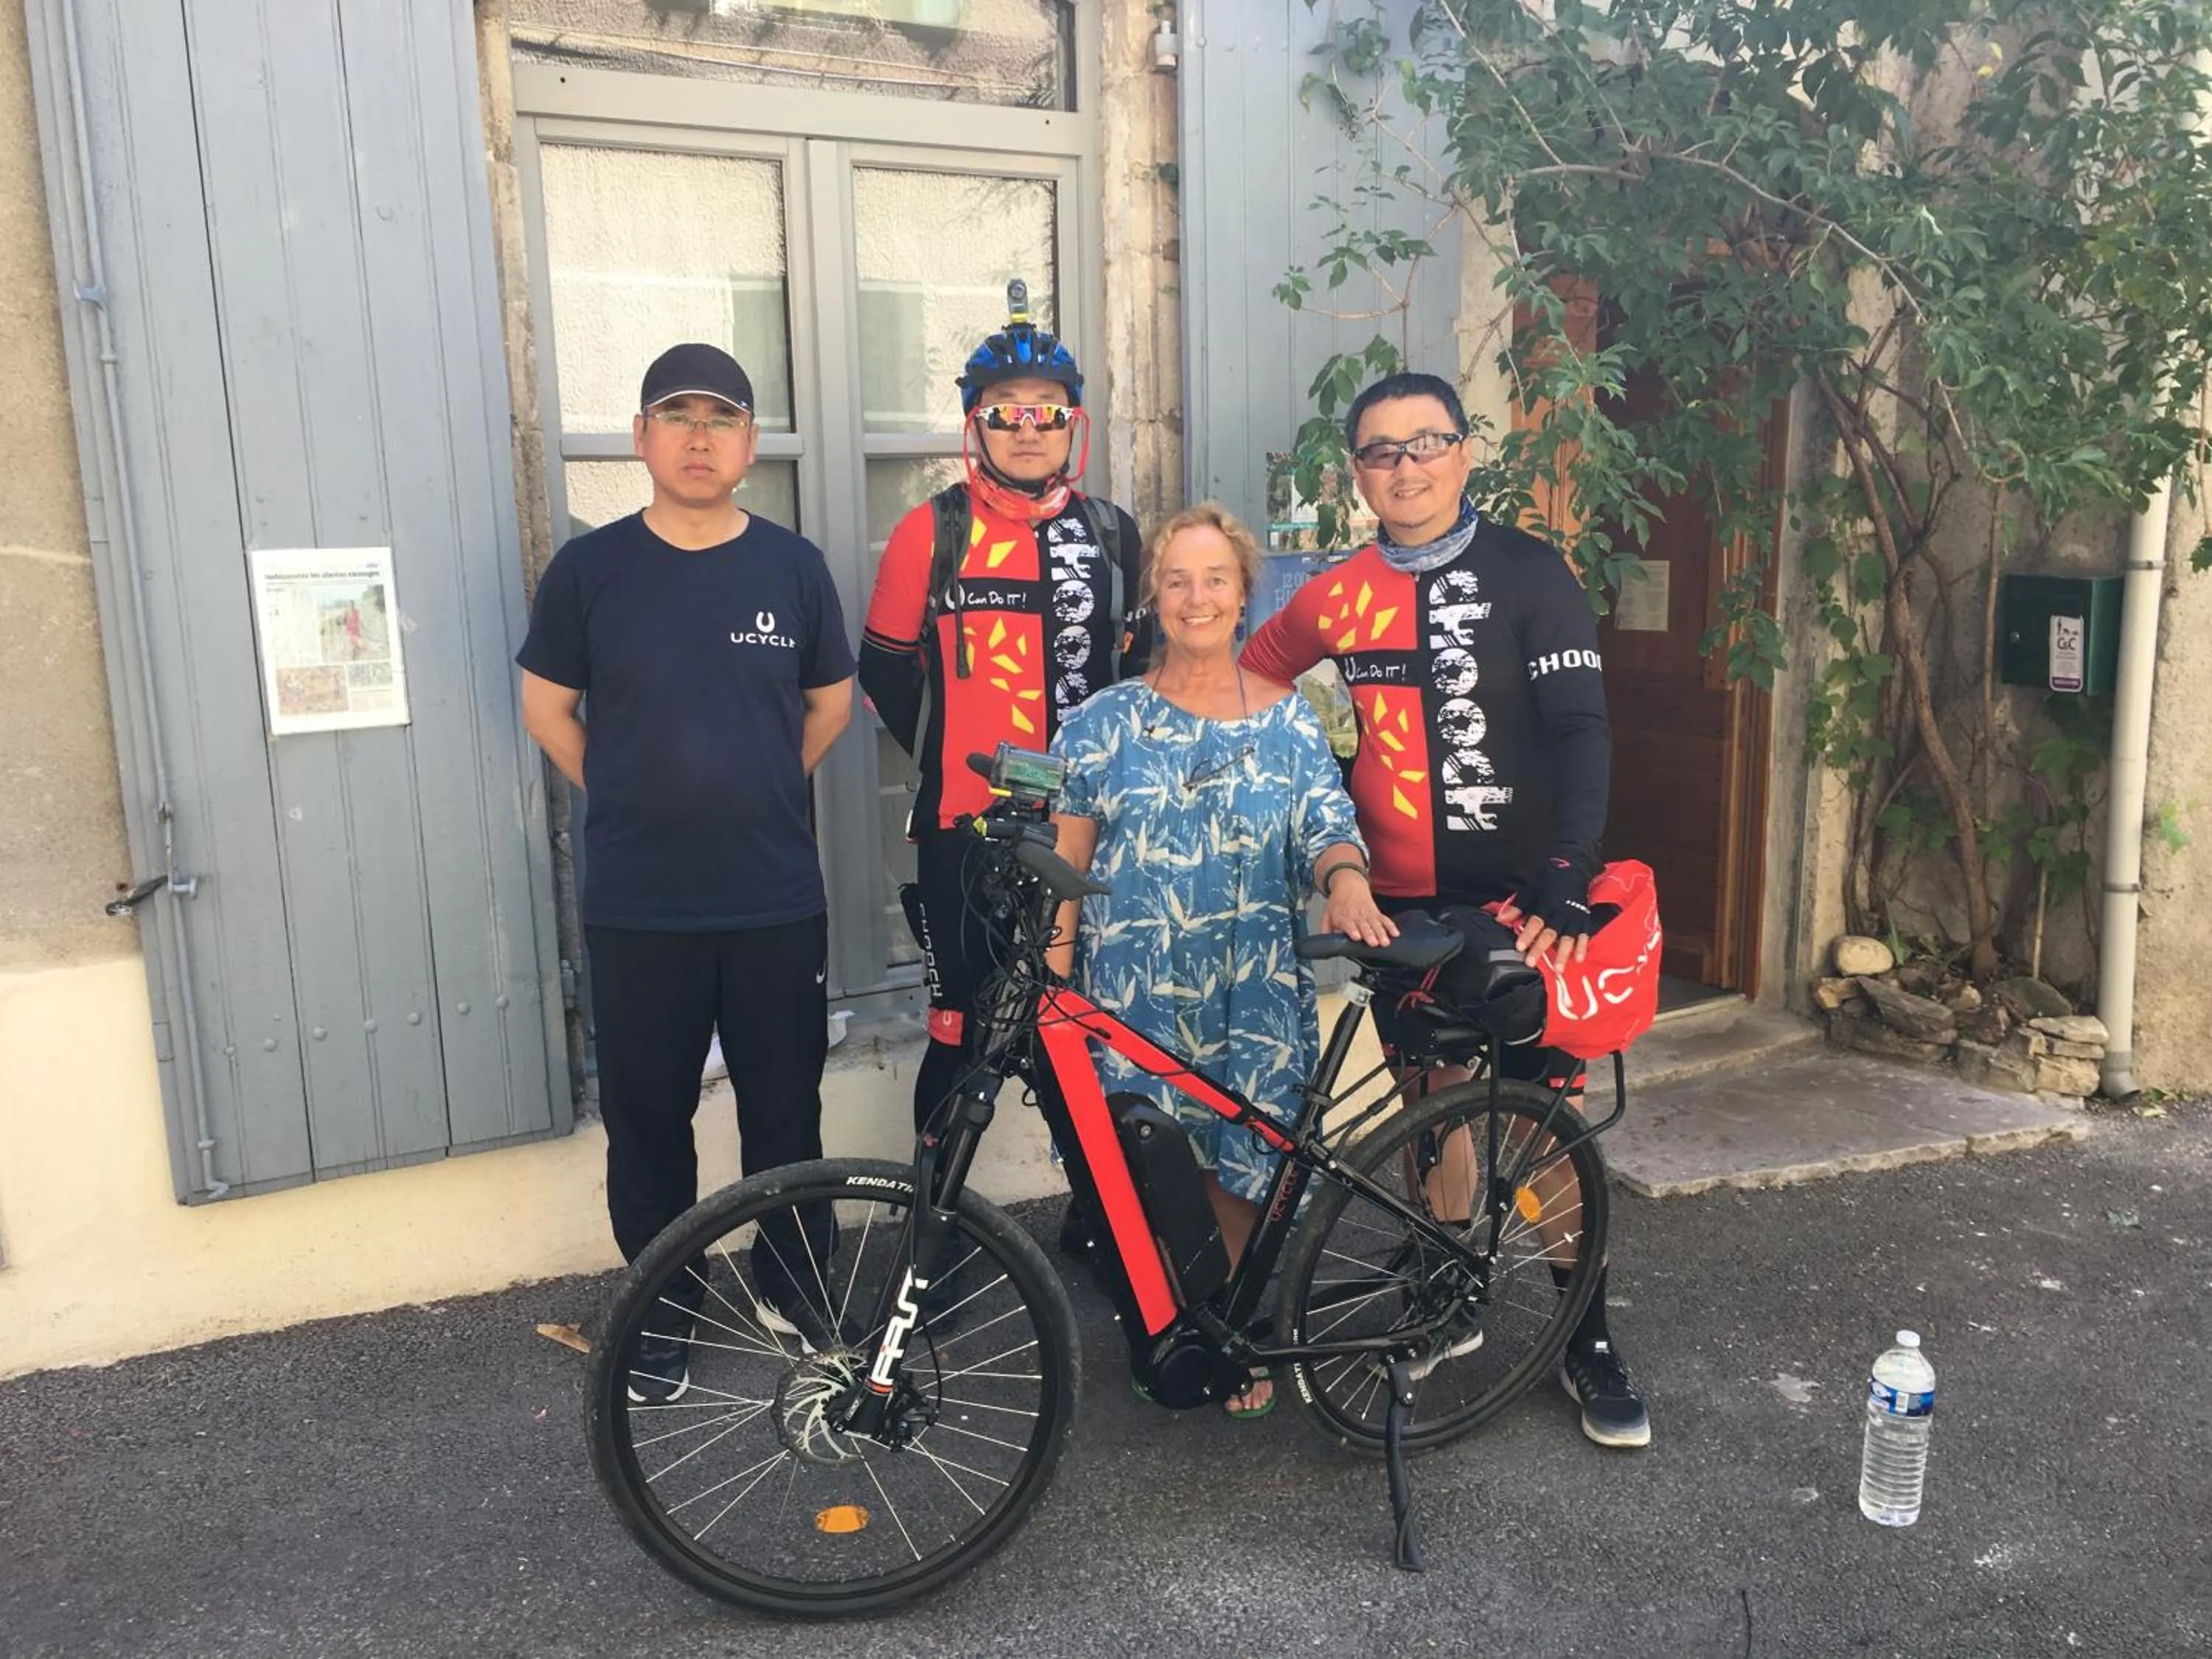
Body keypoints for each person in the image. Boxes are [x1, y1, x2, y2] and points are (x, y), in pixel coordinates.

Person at [1239, 370, 1651, 1449]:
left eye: (1426, 444)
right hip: (1405, 902)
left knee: (1536, 1117)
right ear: (1358, 471)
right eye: (1381, 451)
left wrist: (1570, 869)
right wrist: (1313, 773)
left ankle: (1585, 1334)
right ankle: (1449, 1291)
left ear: (1465, 452)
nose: (1405, 467)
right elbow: (1253, 676)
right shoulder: (1337, 590)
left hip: (1526, 902)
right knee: (1433, 1099)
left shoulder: (1529, 570)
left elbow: (1581, 730)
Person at [516, 342, 856, 1404]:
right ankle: (663, 1313)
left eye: (722, 419)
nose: (700, 436)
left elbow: (832, 704)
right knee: (649, 1118)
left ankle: (796, 1291)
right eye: (678, 416)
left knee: (785, 1112)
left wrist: (753, 786)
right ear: (643, 440)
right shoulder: (591, 569)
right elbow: (545, 706)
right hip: (640, 906)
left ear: (750, 446)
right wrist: (624, 793)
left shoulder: (792, 567)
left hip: (772, 899)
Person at [1044, 504, 1393, 1419]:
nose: (1196, 598)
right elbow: (1066, 863)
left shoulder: (1291, 722)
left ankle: (1232, 1323)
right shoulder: (1100, 723)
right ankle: (1177, 1321)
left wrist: (1347, 881)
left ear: (1243, 595)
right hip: (1133, 986)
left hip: (1252, 981)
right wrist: (1052, 972)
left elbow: (1328, 825)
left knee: (1248, 1153)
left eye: (1215, 580)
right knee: (1154, 1157)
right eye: (1177, 580)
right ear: (1154, 597)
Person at [858, 282, 1150, 1152]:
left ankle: (1098, 1223)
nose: (1028, 429)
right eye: (1006, 413)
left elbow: (1136, 673)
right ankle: (931, 1243)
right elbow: (884, 668)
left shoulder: (1114, 535)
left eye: (1048, 413)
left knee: (1083, 1022)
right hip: (965, 829)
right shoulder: (930, 532)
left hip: (1086, 829)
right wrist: (954, 753)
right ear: (974, 425)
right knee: (961, 1032)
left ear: (1074, 425)